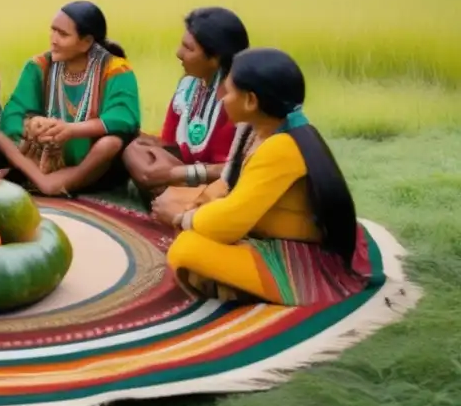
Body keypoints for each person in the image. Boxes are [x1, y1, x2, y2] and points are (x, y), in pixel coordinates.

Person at [153, 47, 372, 306]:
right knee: (182, 204)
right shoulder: (257, 130)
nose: (222, 98)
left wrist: (182, 218)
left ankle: (249, 285)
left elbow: (227, 223)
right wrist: (194, 207)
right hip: (262, 228)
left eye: (230, 90)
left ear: (251, 101)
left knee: (186, 249)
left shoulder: (281, 147)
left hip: (302, 256)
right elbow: (228, 184)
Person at [0, 1, 141, 196]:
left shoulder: (115, 69)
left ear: (86, 42)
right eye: (53, 30)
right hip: (43, 155)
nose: (53, 39)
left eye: (62, 34)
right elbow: (14, 113)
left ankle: (58, 182)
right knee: (0, 136)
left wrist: (70, 130)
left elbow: (124, 116)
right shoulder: (39, 66)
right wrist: (34, 125)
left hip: (92, 163)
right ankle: (44, 181)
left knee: (110, 143)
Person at [123, 7, 250, 205]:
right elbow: (171, 143)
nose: (178, 53)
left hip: (222, 187)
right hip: (187, 177)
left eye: (189, 49)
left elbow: (237, 169)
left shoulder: (240, 101)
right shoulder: (190, 86)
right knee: (134, 149)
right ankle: (174, 200)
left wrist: (176, 173)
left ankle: (180, 203)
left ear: (215, 58)